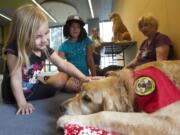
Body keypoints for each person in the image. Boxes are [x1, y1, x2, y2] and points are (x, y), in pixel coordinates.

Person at [1, 4, 91, 115]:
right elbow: (16, 80)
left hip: (31, 89)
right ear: (22, 35)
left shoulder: (44, 48)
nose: (44, 40)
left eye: (46, 33)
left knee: (51, 90)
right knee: (41, 88)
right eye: (38, 36)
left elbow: (64, 64)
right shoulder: (14, 50)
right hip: (14, 95)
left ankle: (39, 82)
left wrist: (83, 77)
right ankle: (27, 94)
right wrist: (22, 103)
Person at [58, 15, 96, 92]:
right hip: (72, 77)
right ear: (67, 28)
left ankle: (83, 87)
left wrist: (94, 76)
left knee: (93, 84)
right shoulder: (63, 46)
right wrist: (70, 76)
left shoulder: (86, 41)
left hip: (85, 75)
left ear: (81, 29)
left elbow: (90, 59)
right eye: (72, 26)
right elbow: (60, 67)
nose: (75, 29)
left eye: (78, 27)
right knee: (71, 86)